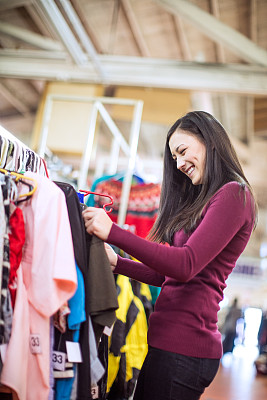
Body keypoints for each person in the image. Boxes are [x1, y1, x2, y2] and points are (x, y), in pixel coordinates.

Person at [82, 111, 257, 400]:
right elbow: (167, 275)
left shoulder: (234, 194)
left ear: (209, 141)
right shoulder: (205, 200)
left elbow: (184, 265)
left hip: (186, 348)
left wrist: (113, 232)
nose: (179, 164)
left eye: (183, 151)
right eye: (174, 157)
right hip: (169, 344)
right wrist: (118, 263)